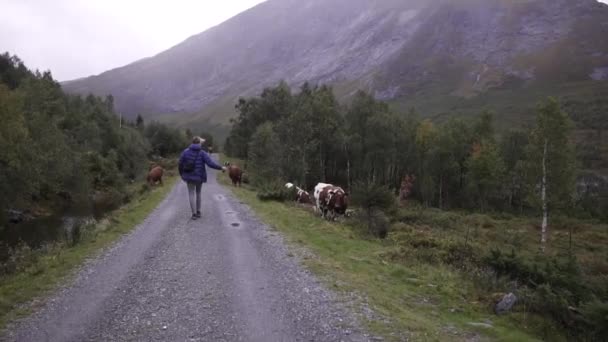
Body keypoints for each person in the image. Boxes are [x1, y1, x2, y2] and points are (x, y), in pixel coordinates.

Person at [178, 137, 226, 220]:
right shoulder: (202, 153)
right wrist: (221, 167)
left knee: (191, 194)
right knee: (198, 193)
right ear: (199, 144)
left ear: (192, 143)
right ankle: (198, 212)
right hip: (199, 177)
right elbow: (210, 164)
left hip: (189, 177)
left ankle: (193, 214)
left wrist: (182, 174)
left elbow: (180, 163)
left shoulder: (185, 152)